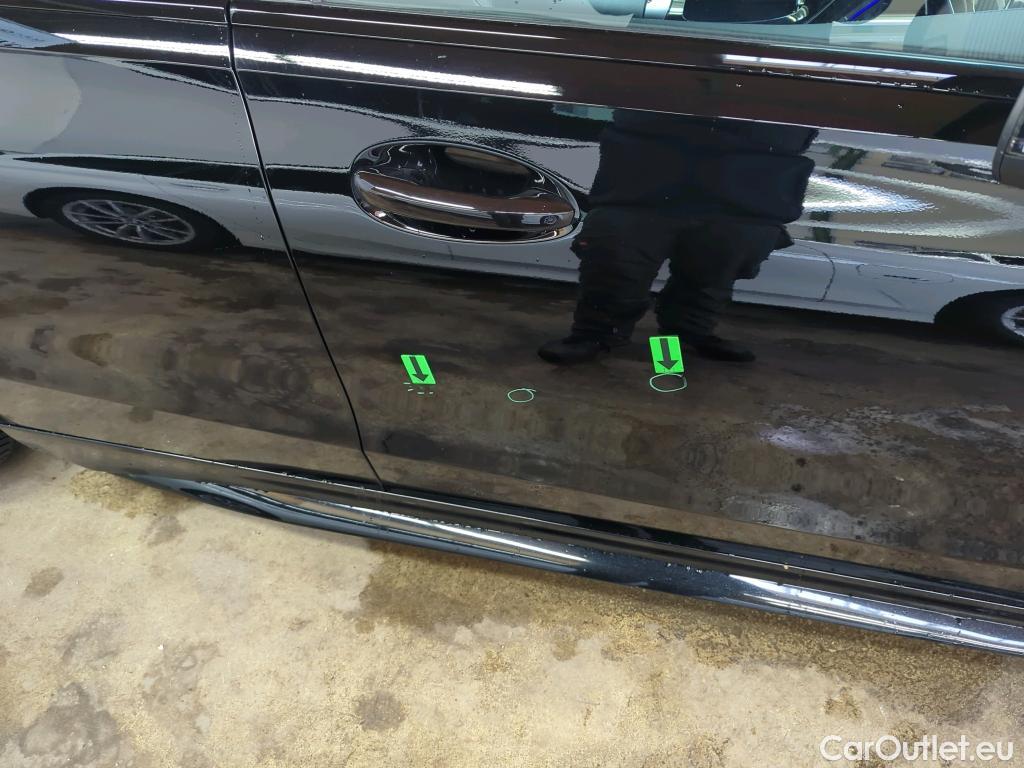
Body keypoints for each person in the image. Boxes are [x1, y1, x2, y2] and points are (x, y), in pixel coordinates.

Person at [539, 111, 818, 364]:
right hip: (646, 173)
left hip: (754, 181)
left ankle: (684, 337)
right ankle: (595, 334)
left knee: (722, 261)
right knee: (616, 256)